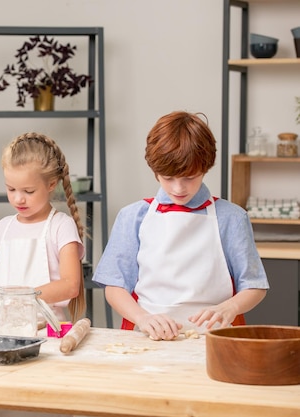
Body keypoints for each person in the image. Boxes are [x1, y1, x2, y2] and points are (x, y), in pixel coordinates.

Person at [92, 111, 269, 341]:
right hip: (148, 337)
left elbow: (255, 286)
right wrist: (143, 318)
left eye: (189, 177)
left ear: (205, 168)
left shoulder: (231, 218)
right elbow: (114, 288)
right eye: (168, 178)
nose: (178, 189)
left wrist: (229, 308)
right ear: (155, 171)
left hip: (215, 339)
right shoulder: (133, 217)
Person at [0, 132, 86, 326]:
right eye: (11, 189)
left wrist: (16, 300)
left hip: (44, 330)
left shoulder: (61, 226)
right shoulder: (2, 229)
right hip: (1, 328)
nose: (18, 199)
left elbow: (70, 286)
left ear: (51, 184)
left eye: (28, 191)